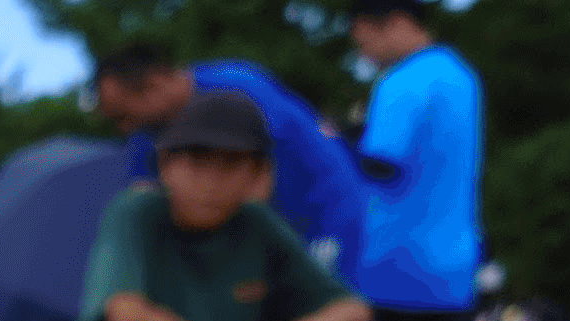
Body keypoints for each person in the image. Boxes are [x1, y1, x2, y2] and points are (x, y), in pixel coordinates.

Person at [51, 90, 395, 321]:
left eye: (231, 166)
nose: (211, 183)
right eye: (197, 164)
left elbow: (353, 307)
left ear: (258, 176)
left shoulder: (255, 223)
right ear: (166, 166)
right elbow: (128, 316)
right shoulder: (135, 212)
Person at [92, 45, 368, 283]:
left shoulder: (235, 87)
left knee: (325, 316)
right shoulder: (147, 132)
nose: (125, 129)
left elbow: (259, 177)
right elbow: (145, 197)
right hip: (268, 241)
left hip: (324, 218)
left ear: (155, 84)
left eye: (124, 116)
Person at [345, 0, 487, 321]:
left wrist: (336, 140)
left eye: (364, 39)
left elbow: (382, 162)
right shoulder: (460, 75)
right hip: (453, 256)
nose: (363, 53)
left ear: (397, 24)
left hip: (392, 257)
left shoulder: (402, 82)